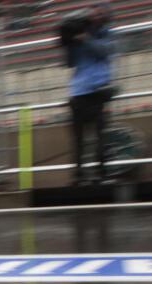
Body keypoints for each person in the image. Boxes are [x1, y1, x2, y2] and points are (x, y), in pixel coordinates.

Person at [61, 5, 115, 184]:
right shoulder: (80, 35)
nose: (96, 16)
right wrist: (70, 42)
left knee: (101, 135)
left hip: (98, 92)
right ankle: (79, 176)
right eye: (94, 13)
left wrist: (86, 39)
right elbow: (69, 63)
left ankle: (102, 174)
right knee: (79, 138)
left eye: (100, 12)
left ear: (107, 16)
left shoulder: (107, 34)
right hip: (79, 92)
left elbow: (103, 52)